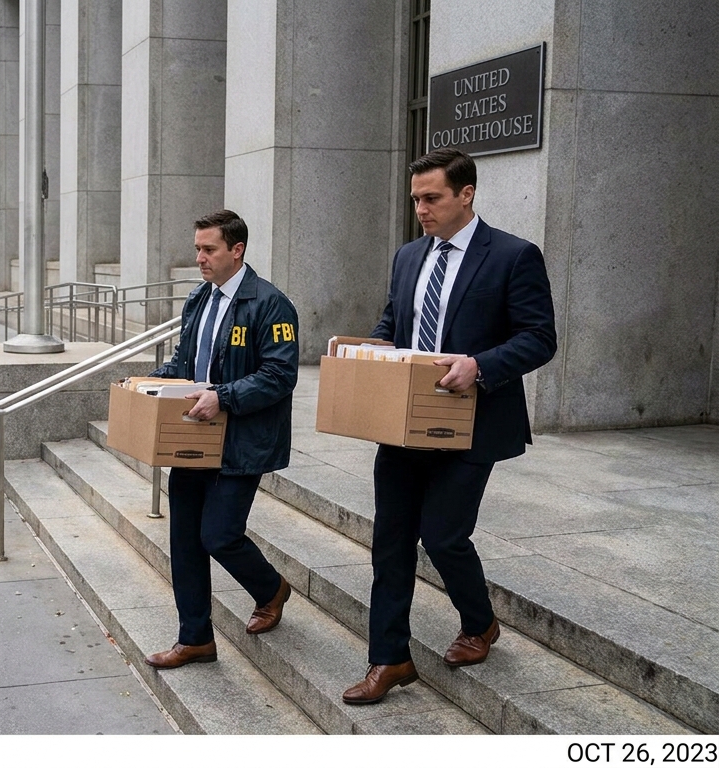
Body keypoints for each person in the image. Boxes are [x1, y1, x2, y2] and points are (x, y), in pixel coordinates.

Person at [342, 149, 556, 704]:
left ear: (466, 194)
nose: (421, 209)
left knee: (442, 536)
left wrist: (480, 366)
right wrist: (366, 350)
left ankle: (479, 622)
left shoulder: (513, 255)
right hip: (404, 420)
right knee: (390, 543)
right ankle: (388, 660)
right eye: (415, 199)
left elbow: (539, 337)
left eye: (431, 197)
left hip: (473, 422)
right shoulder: (409, 256)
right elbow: (396, 321)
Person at [141, 209, 299, 671]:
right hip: (192, 435)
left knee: (220, 535)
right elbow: (185, 361)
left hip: (242, 440)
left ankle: (271, 589)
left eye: (208, 249)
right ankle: (195, 640)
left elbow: (280, 374)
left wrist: (224, 397)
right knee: (186, 540)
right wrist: (149, 383)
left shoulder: (271, 304)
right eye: (197, 249)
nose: (200, 258)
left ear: (237, 250)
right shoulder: (199, 299)